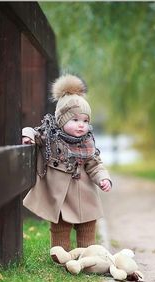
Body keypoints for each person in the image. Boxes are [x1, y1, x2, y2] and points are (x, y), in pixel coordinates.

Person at [22, 73, 112, 251]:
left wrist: (103, 178)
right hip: (60, 196)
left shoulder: (87, 143)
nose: (81, 125)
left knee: (87, 225)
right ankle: (60, 254)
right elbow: (34, 132)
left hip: (84, 194)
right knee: (61, 226)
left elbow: (95, 164)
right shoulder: (50, 137)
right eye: (75, 120)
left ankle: (88, 254)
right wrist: (27, 135)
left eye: (85, 121)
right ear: (61, 120)